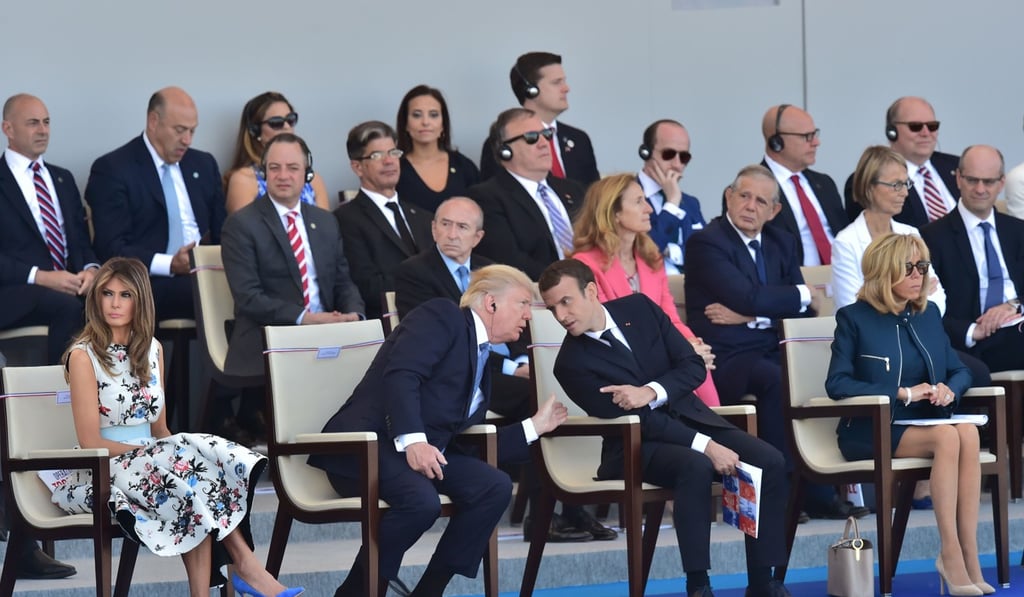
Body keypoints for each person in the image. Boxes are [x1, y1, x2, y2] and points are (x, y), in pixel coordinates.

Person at [309, 265, 568, 597]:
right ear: (491, 303)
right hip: (366, 447)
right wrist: (414, 441)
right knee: (421, 501)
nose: (528, 317)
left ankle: (430, 590)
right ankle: (357, 591)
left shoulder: (480, 355)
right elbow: (403, 375)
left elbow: (466, 442)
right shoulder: (442, 315)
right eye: (522, 304)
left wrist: (535, 426)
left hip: (418, 456)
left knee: (494, 486)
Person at [539, 259, 793, 597]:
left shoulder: (640, 308)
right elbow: (637, 420)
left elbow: (692, 367)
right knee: (695, 465)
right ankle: (699, 586)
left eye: (565, 301)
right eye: (552, 307)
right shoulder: (571, 363)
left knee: (770, 461)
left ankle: (764, 583)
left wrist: (650, 392)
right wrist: (705, 446)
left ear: (590, 291)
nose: (560, 315)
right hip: (634, 444)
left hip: (692, 418)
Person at [60, 257, 302, 597]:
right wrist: (159, 454)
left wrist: (179, 457)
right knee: (185, 481)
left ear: (140, 301)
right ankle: (247, 567)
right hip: (102, 469)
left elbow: (160, 430)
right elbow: (89, 441)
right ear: (96, 298)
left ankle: (223, 581)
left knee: (196, 478)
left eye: (125, 295)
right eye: (107, 294)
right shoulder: (83, 356)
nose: (114, 304)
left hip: (151, 463)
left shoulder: (153, 350)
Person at [393, 196, 608, 543]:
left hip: (507, 369)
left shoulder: (492, 269)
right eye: (444, 224)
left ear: (477, 236)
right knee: (534, 400)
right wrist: (510, 365)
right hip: (466, 375)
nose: (451, 233)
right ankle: (545, 514)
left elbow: (522, 323)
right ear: (432, 229)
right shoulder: (414, 273)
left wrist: (524, 360)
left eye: (461, 227)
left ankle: (570, 502)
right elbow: (442, 344)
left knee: (560, 392)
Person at [687, 165, 865, 521]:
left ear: (774, 211)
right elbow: (749, 295)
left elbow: (803, 307)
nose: (750, 206)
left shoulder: (781, 241)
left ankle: (819, 487)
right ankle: (779, 494)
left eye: (761, 201)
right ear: (728, 196)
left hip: (773, 344)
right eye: (744, 196)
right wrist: (791, 296)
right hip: (726, 356)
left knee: (825, 374)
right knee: (777, 379)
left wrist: (753, 313)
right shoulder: (707, 241)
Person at [826, 233, 991, 596]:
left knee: (968, 432)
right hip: (870, 430)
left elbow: (958, 369)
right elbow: (837, 384)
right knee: (949, 435)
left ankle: (968, 553)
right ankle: (950, 553)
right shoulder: (854, 318)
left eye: (923, 266)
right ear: (884, 272)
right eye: (909, 267)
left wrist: (951, 389)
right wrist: (901, 392)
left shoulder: (927, 313)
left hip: (921, 422)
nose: (919, 275)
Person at [222, 133, 364, 378]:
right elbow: (249, 297)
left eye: (293, 168)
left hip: (327, 333)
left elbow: (343, 282)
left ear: (307, 174)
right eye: (274, 168)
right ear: (264, 173)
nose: (283, 176)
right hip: (270, 338)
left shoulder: (326, 221)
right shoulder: (242, 224)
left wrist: (354, 315)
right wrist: (305, 319)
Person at [570, 173, 719, 406]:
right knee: (690, 368)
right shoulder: (585, 265)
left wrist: (693, 345)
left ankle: (717, 432)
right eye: (639, 201)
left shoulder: (651, 259)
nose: (649, 208)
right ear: (614, 213)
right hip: (623, 367)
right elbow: (612, 331)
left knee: (699, 366)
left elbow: (670, 318)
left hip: (662, 359)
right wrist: (683, 352)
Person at [85, 86, 226, 321]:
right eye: (180, 130)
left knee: (261, 291)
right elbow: (111, 248)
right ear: (153, 121)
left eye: (192, 131)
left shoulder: (203, 164)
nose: (187, 140)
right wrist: (170, 264)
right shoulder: (114, 168)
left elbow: (223, 230)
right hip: (150, 281)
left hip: (206, 272)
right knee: (212, 295)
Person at [0, 93, 98, 366]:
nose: (43, 130)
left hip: (69, 287)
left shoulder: (62, 178)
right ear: (8, 129)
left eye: (46, 122)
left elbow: (79, 241)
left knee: (118, 296)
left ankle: (122, 398)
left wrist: (91, 270)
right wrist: (40, 277)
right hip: (14, 291)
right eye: (33, 123)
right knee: (68, 306)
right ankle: (63, 395)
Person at [920, 145, 1024, 373]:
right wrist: (971, 331)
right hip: (974, 340)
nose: (980, 189)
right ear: (958, 178)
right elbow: (924, 307)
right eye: (972, 180)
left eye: (988, 182)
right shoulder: (932, 237)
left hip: (1017, 325)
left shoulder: (1018, 231)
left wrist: (1014, 305)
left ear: (1001, 183)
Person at [469, 108, 584, 280]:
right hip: (537, 294)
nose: (544, 143)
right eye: (532, 137)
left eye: (546, 134)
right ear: (504, 151)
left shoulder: (574, 190)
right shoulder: (487, 198)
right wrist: (568, 281)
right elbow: (509, 261)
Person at [335, 121, 433, 320]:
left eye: (393, 153)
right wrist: (428, 280)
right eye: (377, 155)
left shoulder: (423, 216)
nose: (389, 161)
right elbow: (367, 286)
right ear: (357, 167)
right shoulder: (346, 219)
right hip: (389, 325)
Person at [833, 146, 948, 313]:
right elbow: (851, 309)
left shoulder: (911, 233)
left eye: (906, 184)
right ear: (869, 187)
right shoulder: (845, 242)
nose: (905, 193)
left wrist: (883, 297)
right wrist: (913, 296)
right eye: (896, 185)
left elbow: (938, 299)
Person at [479, 52, 599, 189]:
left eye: (564, 81)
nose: (566, 89)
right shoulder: (504, 141)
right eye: (556, 83)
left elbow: (596, 198)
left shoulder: (579, 139)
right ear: (531, 90)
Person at [844, 97, 960, 227]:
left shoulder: (958, 167)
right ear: (891, 132)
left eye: (932, 126)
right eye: (915, 127)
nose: (926, 133)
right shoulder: (870, 178)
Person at [759, 104, 848, 266]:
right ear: (776, 142)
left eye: (815, 134)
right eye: (806, 136)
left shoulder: (825, 184)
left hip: (841, 280)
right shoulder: (752, 189)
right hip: (795, 284)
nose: (816, 142)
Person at [223, 91, 330, 214]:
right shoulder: (244, 180)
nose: (286, 126)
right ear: (255, 131)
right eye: (276, 123)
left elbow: (325, 229)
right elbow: (244, 231)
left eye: (291, 120)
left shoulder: (313, 179)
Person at [394, 85, 480, 213]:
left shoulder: (464, 167)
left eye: (433, 115)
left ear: (443, 124)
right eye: (417, 115)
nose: (425, 122)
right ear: (405, 124)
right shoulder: (393, 168)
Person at [637, 119, 707, 273]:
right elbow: (646, 250)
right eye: (668, 154)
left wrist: (671, 251)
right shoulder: (625, 196)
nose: (677, 164)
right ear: (645, 153)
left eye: (684, 157)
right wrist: (672, 204)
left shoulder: (691, 203)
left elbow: (706, 252)